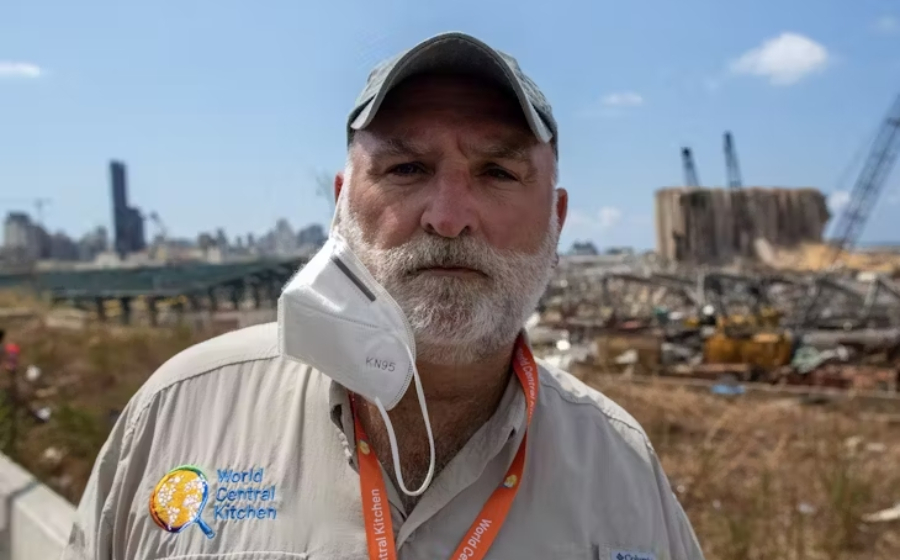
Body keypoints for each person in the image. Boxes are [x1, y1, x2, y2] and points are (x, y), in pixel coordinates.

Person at [61, 31, 705, 560]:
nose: (449, 217)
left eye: (498, 172)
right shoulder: (182, 412)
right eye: (406, 169)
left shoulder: (624, 469)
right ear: (340, 204)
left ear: (557, 221)